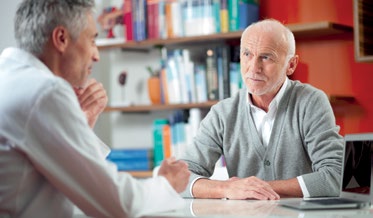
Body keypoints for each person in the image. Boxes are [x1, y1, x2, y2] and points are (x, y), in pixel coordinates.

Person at [0, 0, 190, 217]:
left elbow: (75, 183)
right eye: (92, 40)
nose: (96, 55)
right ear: (61, 39)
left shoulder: (10, 77)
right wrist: (167, 183)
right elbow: (118, 204)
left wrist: (81, 122)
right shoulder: (45, 92)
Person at [180, 19, 344, 200]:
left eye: (266, 57)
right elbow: (181, 179)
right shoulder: (223, 113)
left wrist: (257, 189)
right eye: (247, 54)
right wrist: (228, 189)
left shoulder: (311, 102)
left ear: (291, 65)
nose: (253, 68)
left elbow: (334, 176)